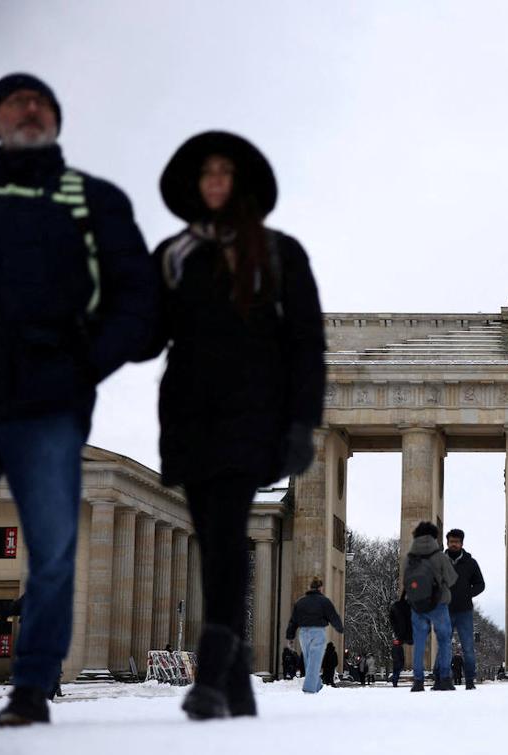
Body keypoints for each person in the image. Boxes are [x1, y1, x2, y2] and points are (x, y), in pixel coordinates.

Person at [0, 74, 157, 727]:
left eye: (40, 102)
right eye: (14, 101)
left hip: (46, 403)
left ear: (57, 120)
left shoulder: (91, 200)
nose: (28, 109)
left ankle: (33, 686)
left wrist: (80, 368)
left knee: (55, 549)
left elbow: (140, 303)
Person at [147, 130, 326, 719]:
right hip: (189, 414)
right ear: (195, 185)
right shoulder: (175, 254)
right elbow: (145, 332)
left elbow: (307, 344)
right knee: (216, 537)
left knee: (224, 530)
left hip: (252, 414)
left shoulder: (279, 252)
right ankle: (238, 678)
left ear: (242, 183)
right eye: (207, 172)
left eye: (226, 171)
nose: (216, 180)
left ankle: (213, 665)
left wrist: (302, 422)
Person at [403, 521, 458, 692]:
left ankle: (418, 681)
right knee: (444, 641)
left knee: (419, 642)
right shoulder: (439, 556)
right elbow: (452, 579)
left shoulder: (409, 558)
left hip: (417, 605)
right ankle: (445, 678)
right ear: (434, 536)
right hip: (439, 604)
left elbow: (404, 580)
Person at [285, 577, 345, 695]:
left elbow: (293, 621)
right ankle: (310, 688)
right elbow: (333, 616)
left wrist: (290, 637)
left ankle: (316, 684)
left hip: (303, 633)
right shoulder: (324, 601)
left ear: (310, 588)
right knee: (315, 660)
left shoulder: (300, 602)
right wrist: (340, 628)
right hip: (317, 631)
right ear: (320, 588)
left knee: (308, 660)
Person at [443, 528, 486, 690]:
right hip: (444, 610)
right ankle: (443, 680)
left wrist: (468, 594)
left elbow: (481, 584)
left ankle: (469, 681)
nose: (454, 544)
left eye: (457, 542)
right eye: (451, 541)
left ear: (461, 543)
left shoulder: (470, 562)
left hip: (464, 611)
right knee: (444, 646)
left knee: (468, 647)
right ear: (447, 543)